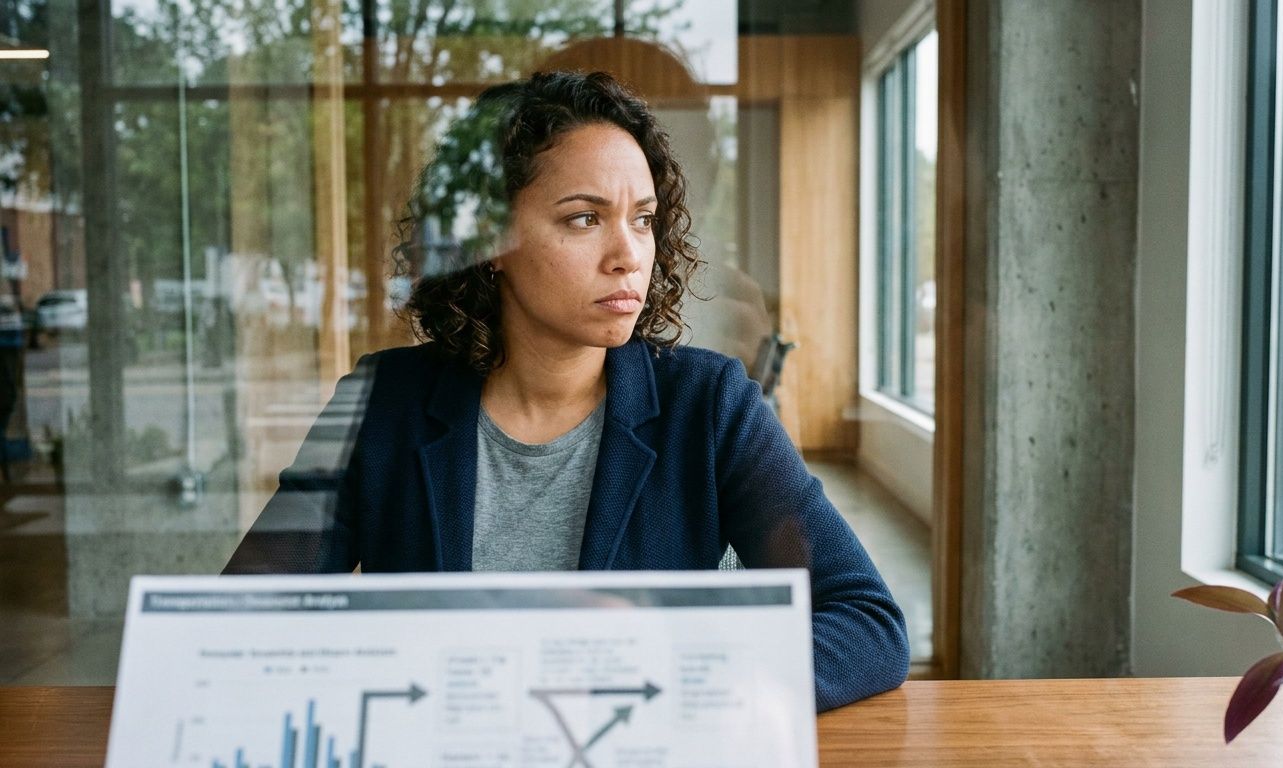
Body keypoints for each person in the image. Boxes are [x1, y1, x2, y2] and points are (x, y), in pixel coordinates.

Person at [224, 70, 908, 711]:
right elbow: (243, 624)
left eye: (642, 218)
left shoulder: (710, 405)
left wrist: (674, 686)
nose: (629, 254)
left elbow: (864, 621)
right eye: (584, 218)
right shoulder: (383, 403)